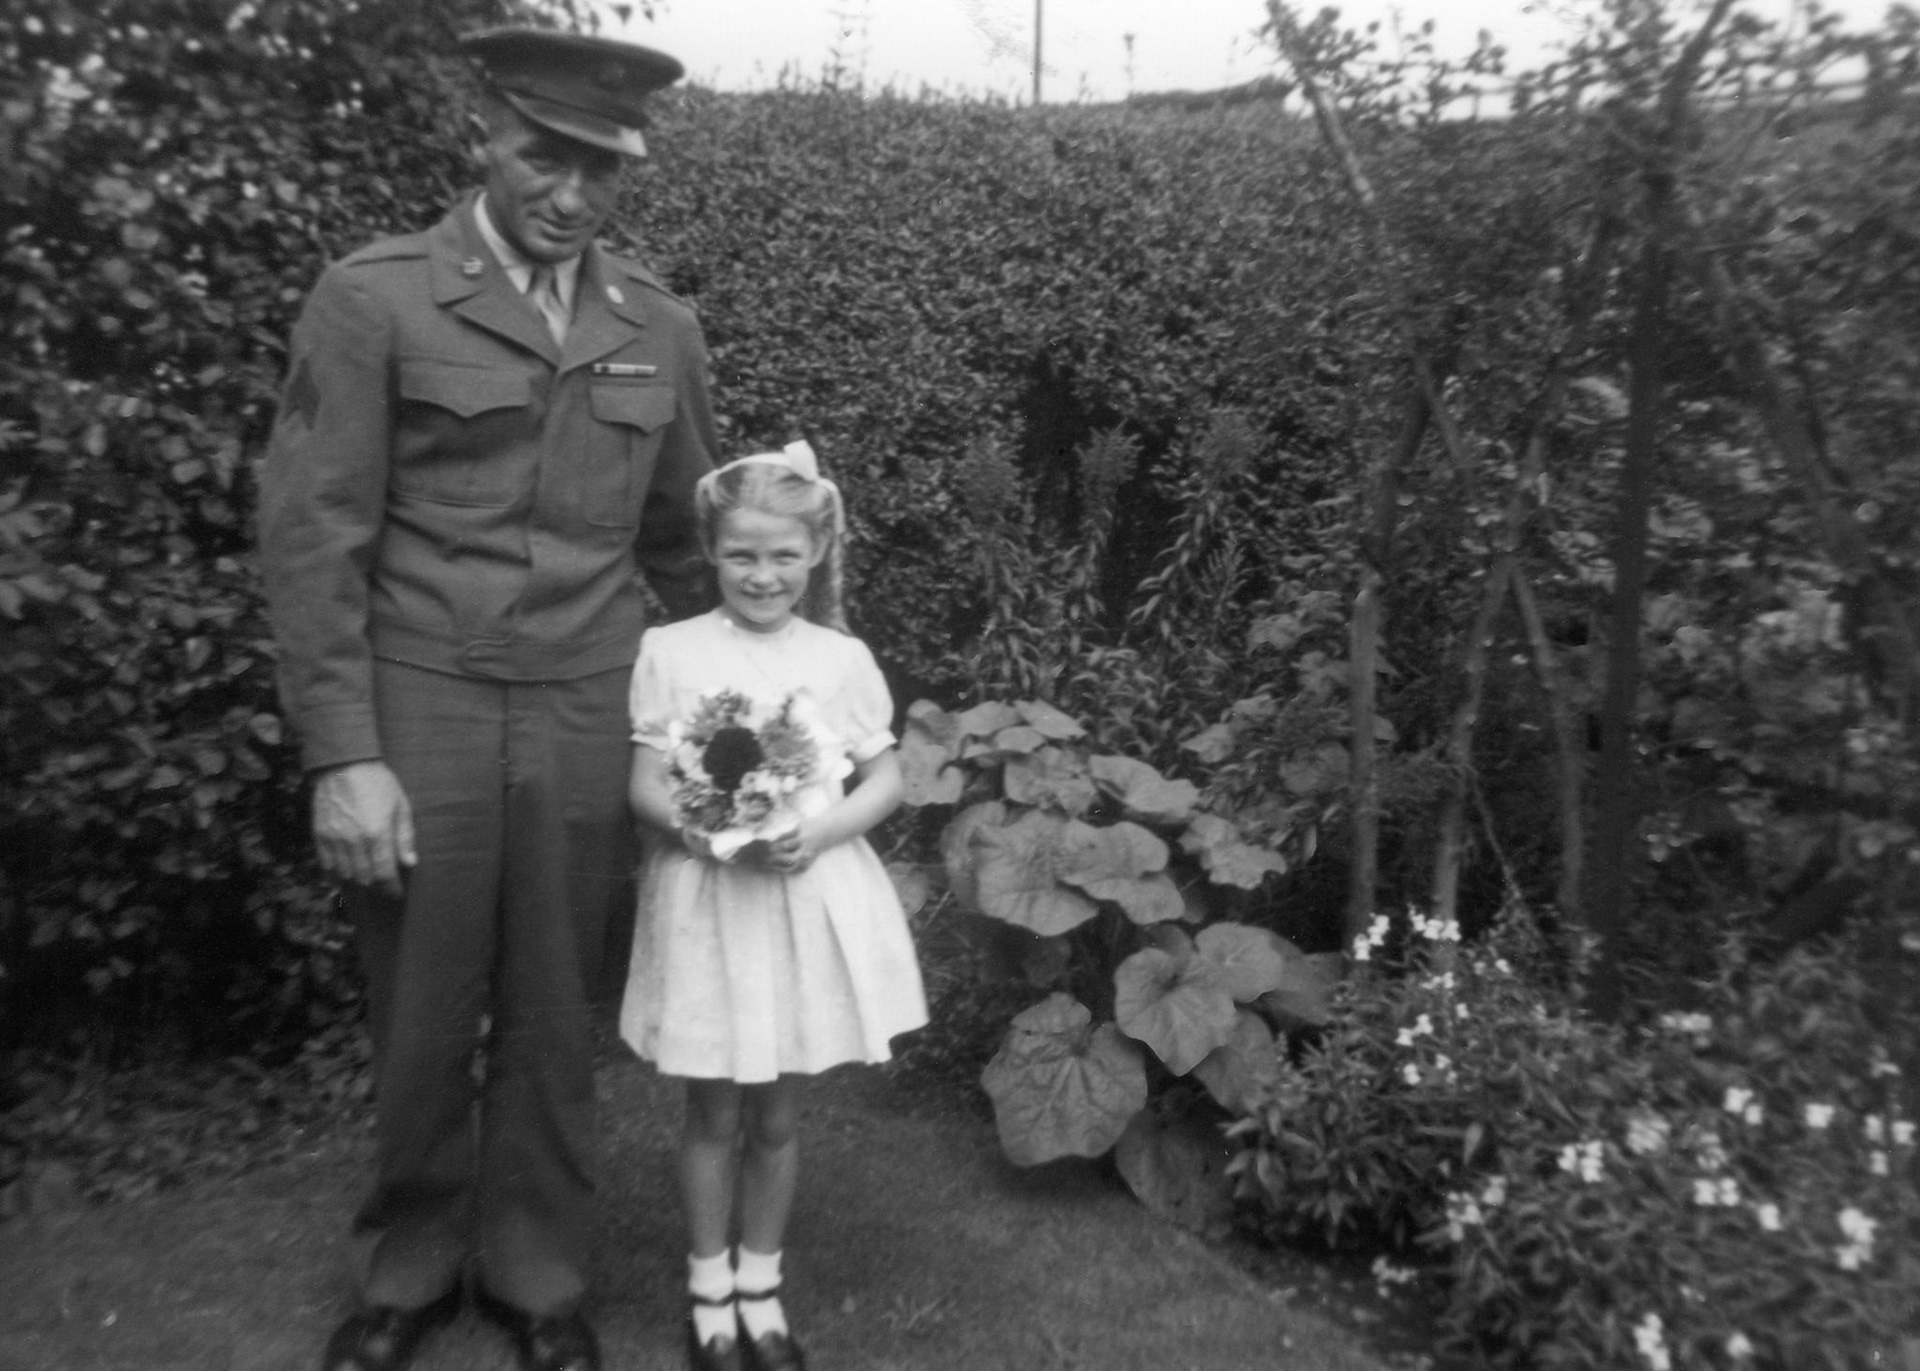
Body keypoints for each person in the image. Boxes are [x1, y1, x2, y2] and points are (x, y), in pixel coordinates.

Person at [256, 26, 719, 1371]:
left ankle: (537, 1273)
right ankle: (407, 1266)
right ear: (488, 140)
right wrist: (344, 753)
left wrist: (768, 702)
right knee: (420, 1002)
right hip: (426, 703)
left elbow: (686, 543)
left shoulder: (657, 324)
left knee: (556, 1005)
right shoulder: (375, 298)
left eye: (599, 168)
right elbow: (314, 535)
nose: (570, 194)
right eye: (543, 158)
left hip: (586, 705)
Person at [619, 442, 929, 1371]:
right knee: (712, 1114)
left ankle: (761, 1284)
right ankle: (708, 1291)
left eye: (784, 555)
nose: (763, 574)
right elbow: (643, 783)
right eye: (742, 554)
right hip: (711, 901)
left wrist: (821, 831)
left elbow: (888, 777)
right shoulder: (671, 651)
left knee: (778, 1117)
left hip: (798, 901)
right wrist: (702, 826)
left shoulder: (840, 659)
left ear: (817, 552)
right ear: (712, 550)